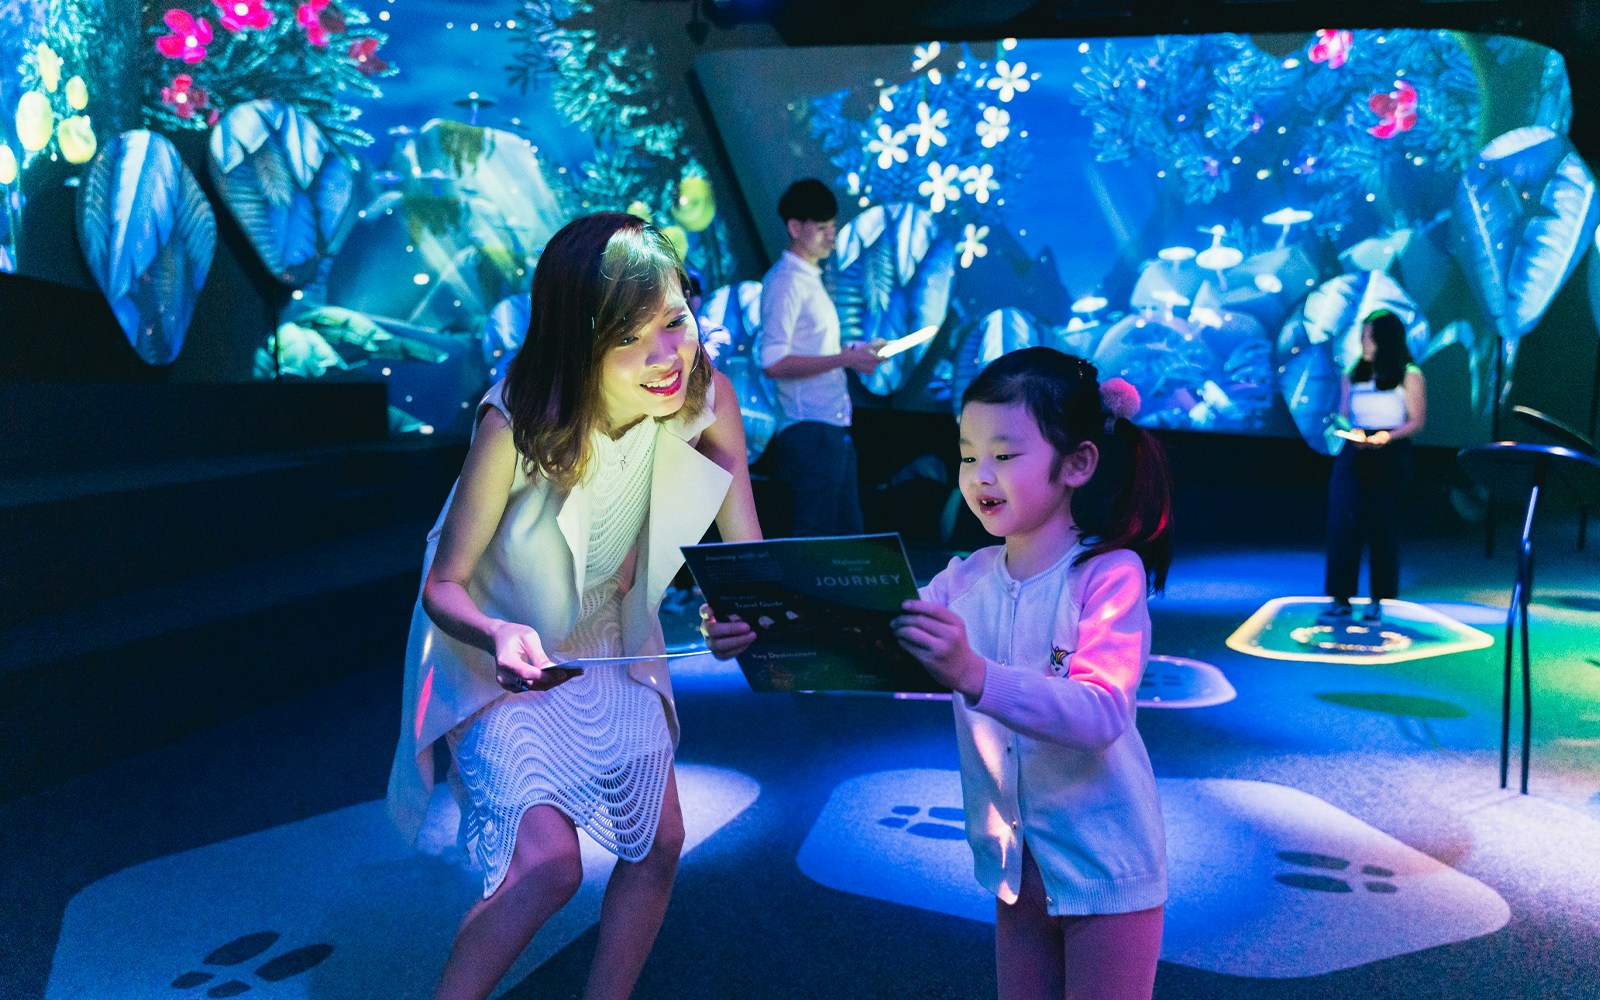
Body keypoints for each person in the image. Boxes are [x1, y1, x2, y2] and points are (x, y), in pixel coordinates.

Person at [386, 212, 760, 1000]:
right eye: (633, 338)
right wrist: (497, 635)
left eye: (675, 321)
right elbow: (443, 585)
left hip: (609, 636)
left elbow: (743, 564)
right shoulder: (518, 416)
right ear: (580, 338)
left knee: (659, 844)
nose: (668, 355)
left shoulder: (708, 394)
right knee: (547, 866)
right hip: (495, 649)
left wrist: (735, 618)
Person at [891, 347, 1173, 1000]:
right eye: (967, 455)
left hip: (1108, 869)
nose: (980, 475)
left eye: (1005, 455)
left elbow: (1103, 711)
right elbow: (881, 642)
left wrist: (977, 674)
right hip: (1015, 868)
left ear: (1076, 463)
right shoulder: (965, 577)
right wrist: (764, 628)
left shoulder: (1107, 574)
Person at [756, 178, 885, 536]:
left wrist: (853, 355)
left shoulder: (809, 279)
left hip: (832, 427)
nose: (832, 236)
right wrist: (845, 358)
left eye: (833, 227)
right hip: (808, 429)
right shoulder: (785, 281)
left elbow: (814, 353)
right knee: (817, 543)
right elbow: (773, 362)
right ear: (795, 228)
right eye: (823, 227)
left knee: (847, 544)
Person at [1320, 309, 1427, 625]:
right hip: (1355, 450)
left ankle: (1378, 599)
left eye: (1370, 335)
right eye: (1363, 335)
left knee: (1383, 525)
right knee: (1342, 521)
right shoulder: (1353, 373)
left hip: (1390, 451)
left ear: (1386, 338)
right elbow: (1342, 413)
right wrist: (1345, 429)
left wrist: (1385, 437)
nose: (1364, 341)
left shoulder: (1409, 373)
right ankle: (1340, 597)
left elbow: (1417, 420)